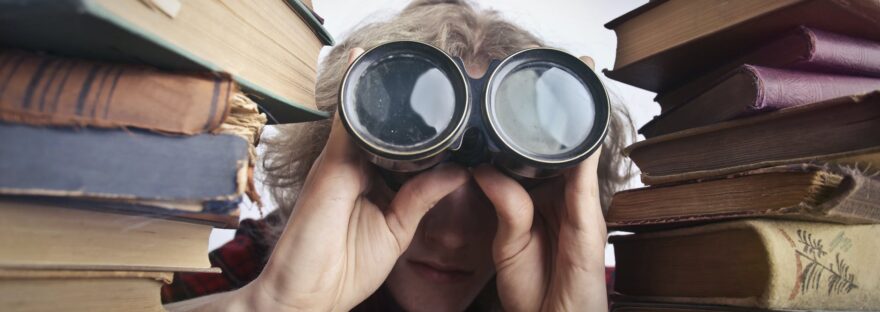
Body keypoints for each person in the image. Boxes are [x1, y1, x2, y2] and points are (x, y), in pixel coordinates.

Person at [164, 0, 634, 310]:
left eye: (493, 202)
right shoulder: (250, 266)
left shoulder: (608, 290)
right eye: (411, 173)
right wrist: (267, 305)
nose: (450, 237)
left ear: (558, 196)